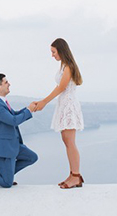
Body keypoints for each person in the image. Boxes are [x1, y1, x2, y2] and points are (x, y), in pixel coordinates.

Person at [33, 38, 84, 189]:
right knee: (66, 141)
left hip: (68, 106)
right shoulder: (63, 66)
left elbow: (61, 88)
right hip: (64, 105)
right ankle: (73, 174)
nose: (52, 55)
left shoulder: (68, 67)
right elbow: (59, 86)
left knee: (70, 142)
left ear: (61, 51)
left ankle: (76, 176)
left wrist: (44, 102)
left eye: (53, 52)